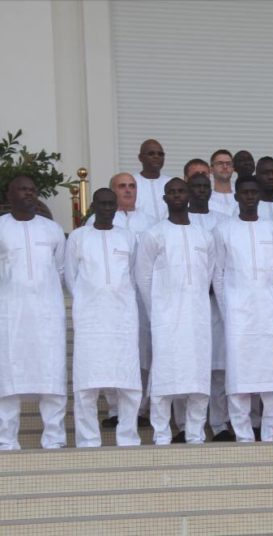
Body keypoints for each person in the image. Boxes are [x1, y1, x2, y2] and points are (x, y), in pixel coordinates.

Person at [213, 176, 273, 442]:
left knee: (271, 376)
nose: (249, 197)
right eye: (244, 193)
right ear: (236, 197)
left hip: (269, 310)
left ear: (259, 196)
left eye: (253, 193)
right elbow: (219, 275)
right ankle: (244, 435)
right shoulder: (223, 229)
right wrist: (229, 310)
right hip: (237, 312)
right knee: (239, 375)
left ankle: (271, 434)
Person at [135, 178, 215, 445]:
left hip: (198, 317)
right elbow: (143, 277)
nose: (178, 195)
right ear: (165, 198)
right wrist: (157, 309)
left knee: (198, 377)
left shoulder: (204, 235)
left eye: (182, 191)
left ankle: (194, 433)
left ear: (190, 196)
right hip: (165, 318)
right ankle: (161, 434)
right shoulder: (154, 234)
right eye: (172, 192)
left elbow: (210, 274)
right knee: (164, 376)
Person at [65, 188, 142, 447]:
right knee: (87, 383)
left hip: (123, 319)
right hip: (91, 320)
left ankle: (128, 437)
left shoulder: (128, 237)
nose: (108, 208)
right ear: (94, 206)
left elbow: (132, 276)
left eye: (112, 204)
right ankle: (88, 440)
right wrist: (88, 302)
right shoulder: (78, 237)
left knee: (128, 381)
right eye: (103, 203)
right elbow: (71, 276)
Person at [0, 176, 67, 450]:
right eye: (22, 189)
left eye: (32, 189)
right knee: (7, 377)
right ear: (9, 194)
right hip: (9, 314)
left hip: (47, 314)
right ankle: (6, 441)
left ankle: (54, 438)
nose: (29, 193)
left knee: (51, 374)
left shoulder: (52, 229)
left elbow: (61, 270)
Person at [170, 173, 232, 442]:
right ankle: (184, 426)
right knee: (184, 365)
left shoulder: (222, 221)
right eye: (194, 187)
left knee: (217, 369)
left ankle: (219, 424)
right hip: (184, 306)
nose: (200, 191)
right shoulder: (175, 223)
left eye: (204, 186)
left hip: (215, 304)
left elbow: (221, 264)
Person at [95, 172, 155, 430]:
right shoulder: (94, 225)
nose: (128, 190)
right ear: (112, 190)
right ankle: (114, 408)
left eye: (132, 186)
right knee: (111, 350)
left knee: (143, 352)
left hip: (143, 297)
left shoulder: (151, 221)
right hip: (110, 299)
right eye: (122, 186)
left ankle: (140, 408)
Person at [134, 139, 171, 221]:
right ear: (140, 157)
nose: (156, 156)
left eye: (160, 154)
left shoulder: (171, 183)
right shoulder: (131, 183)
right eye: (151, 153)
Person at [208, 150, 237, 217]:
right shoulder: (207, 198)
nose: (225, 167)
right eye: (220, 163)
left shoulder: (242, 196)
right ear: (211, 169)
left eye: (228, 163)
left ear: (233, 168)